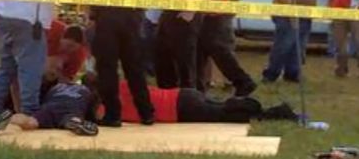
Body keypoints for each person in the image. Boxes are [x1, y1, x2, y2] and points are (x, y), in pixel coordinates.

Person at [91, 0, 154, 127]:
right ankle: (146, 111)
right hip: (132, 14)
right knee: (133, 65)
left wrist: (91, 8)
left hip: (110, 15)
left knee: (107, 66)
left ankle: (112, 113)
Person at [84, 78, 298, 124]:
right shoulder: (122, 84)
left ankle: (271, 111)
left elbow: (100, 117)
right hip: (183, 95)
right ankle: (266, 108)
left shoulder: (106, 105)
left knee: (226, 115)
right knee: (220, 108)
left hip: (179, 109)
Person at [0, 82, 98, 137]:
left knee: (31, 122)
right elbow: (92, 112)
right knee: (73, 118)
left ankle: (9, 118)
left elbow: (44, 98)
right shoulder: (87, 92)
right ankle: (74, 123)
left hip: (51, 105)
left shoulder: (57, 87)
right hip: (72, 105)